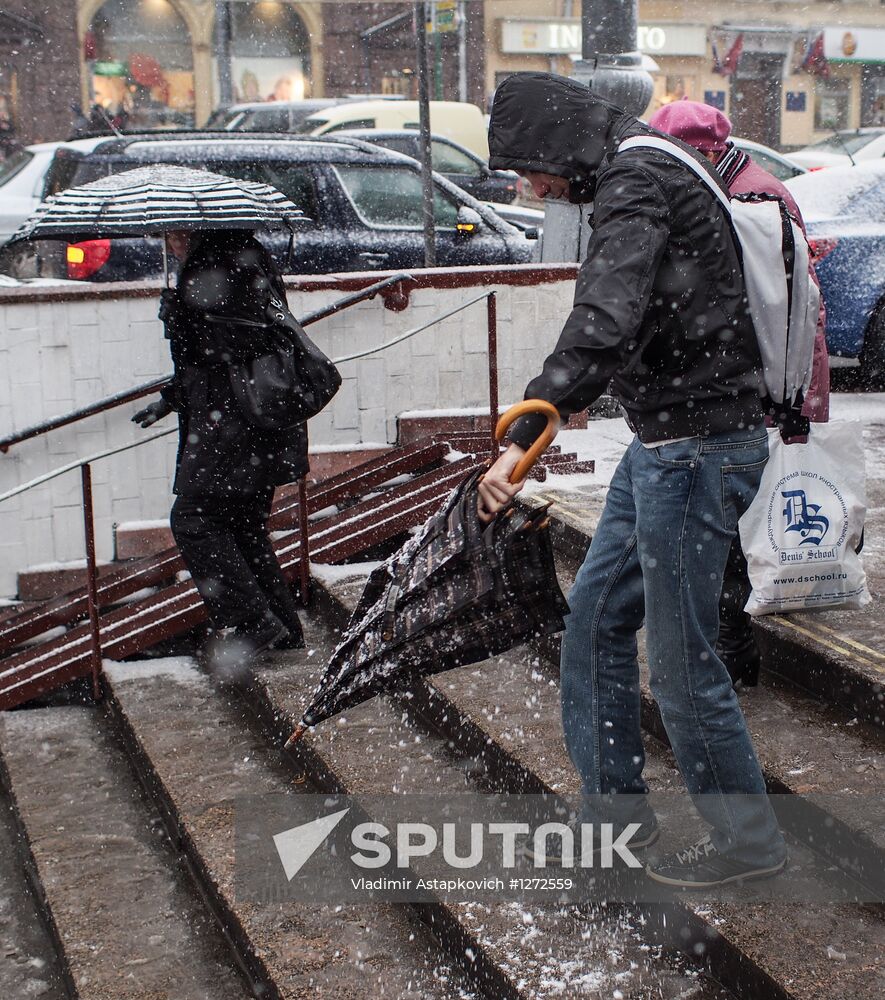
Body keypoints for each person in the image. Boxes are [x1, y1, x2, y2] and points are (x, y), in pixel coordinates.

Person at [479, 73, 787, 888]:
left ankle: (747, 840)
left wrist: (532, 425)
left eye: (525, 168)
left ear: (553, 141)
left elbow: (606, 312)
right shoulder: (642, 166)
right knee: (592, 623)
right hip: (667, 445)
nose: (529, 188)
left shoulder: (635, 177)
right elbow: (630, 314)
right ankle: (615, 816)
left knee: (683, 659)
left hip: (696, 449)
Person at [648, 100, 830, 687]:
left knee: (736, 525)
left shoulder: (752, 198)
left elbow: (777, 309)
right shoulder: (736, 188)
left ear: (702, 150)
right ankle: (733, 644)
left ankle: (734, 649)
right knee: (736, 520)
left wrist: (791, 402)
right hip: (761, 380)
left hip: (763, 383)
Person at [133, 229, 306, 670]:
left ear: (189, 229)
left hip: (234, 424)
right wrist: (171, 397)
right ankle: (282, 624)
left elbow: (230, 345)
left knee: (193, 520)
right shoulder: (243, 256)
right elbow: (232, 342)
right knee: (244, 525)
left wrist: (180, 318)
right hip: (254, 422)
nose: (169, 243)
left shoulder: (215, 265)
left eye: (171, 234)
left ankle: (253, 620)